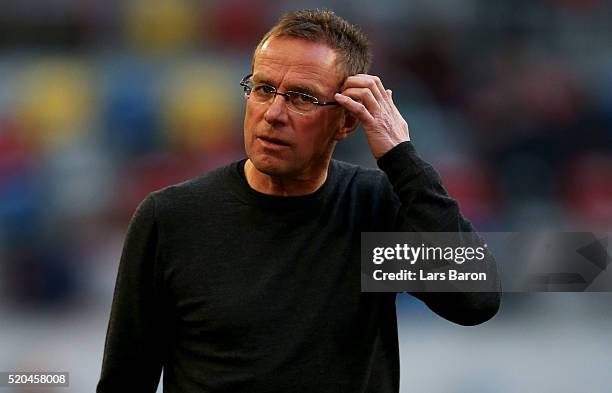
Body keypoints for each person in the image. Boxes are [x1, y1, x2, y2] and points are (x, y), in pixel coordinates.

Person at [96, 9, 500, 393]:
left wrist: (401, 157)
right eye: (262, 88)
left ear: (345, 121)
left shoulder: (372, 210)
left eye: (301, 98)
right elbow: (127, 379)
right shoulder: (173, 218)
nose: (273, 113)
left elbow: (473, 301)